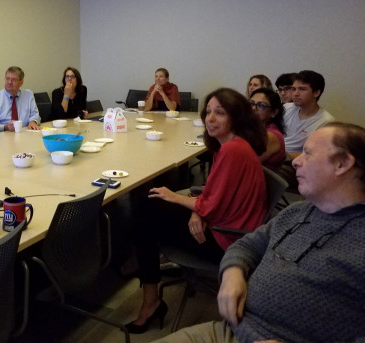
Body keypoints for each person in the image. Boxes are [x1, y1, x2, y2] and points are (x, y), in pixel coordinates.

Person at [157, 122, 365, 343]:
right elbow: (246, 245)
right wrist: (232, 273)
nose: (295, 161)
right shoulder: (296, 212)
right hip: (231, 331)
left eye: (308, 154)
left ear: (342, 163)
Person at [128, 88, 268, 334]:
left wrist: (177, 198)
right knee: (149, 207)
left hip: (229, 240)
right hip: (228, 226)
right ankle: (149, 285)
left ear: (236, 118)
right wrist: (197, 211)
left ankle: (149, 299)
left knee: (145, 211)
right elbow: (213, 195)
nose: (210, 119)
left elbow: (210, 203)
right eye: (209, 112)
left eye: (220, 113)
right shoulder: (232, 145)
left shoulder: (232, 150)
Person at [284, 70, 335, 159]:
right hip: (277, 154)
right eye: (293, 89)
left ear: (316, 93)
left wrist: (281, 156)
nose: (295, 94)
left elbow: (317, 155)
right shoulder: (286, 108)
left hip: (294, 162)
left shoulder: (326, 122)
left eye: (302, 89)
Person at [0, 66, 42, 132]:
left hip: (25, 133)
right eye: (7, 78)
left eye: (13, 80)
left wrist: (33, 121)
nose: (9, 82)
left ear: (21, 83)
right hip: (3, 136)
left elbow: (35, 114)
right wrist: (5, 127)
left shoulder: (28, 95)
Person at [250, 88, 285, 171]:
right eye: (251, 103)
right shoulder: (253, 129)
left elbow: (246, 164)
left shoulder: (271, 136)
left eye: (261, 105)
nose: (253, 108)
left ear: (274, 112)